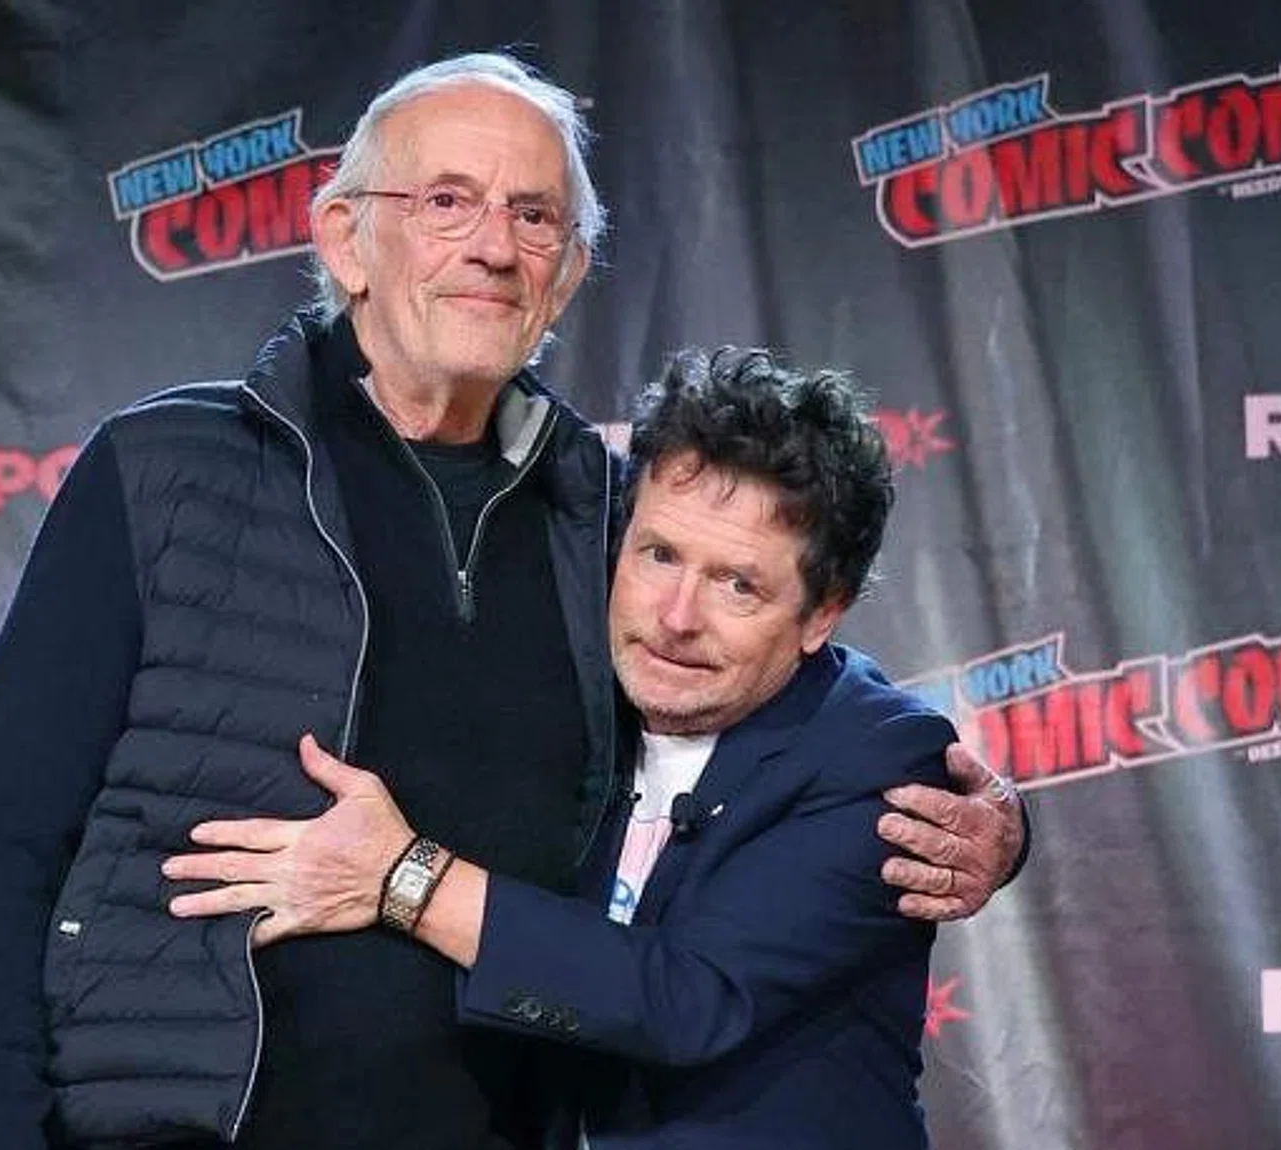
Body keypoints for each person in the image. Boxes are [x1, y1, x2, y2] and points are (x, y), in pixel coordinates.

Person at [0, 52, 1025, 1150]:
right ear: (345, 239)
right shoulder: (165, 471)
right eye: (446, 201)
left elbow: (768, 647)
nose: (493, 246)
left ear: (568, 273)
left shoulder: (598, 508)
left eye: (533, 217)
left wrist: (990, 821)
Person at [167, 346, 957, 1149]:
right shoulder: (584, 696)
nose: (676, 618)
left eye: (737, 585)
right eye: (659, 555)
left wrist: (404, 878)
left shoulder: (884, 764)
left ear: (823, 614)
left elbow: (686, 998)